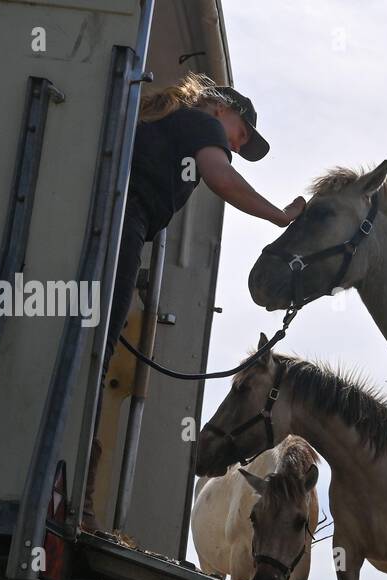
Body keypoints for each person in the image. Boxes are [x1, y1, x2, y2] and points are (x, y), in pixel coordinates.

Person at [83, 73, 304, 528]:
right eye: (242, 135)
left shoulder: (167, 123)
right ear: (223, 110)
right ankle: (78, 492)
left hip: (120, 221)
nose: (239, 146)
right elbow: (223, 180)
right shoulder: (202, 125)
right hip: (128, 222)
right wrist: (281, 217)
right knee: (95, 356)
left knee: (93, 349)